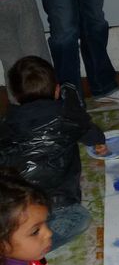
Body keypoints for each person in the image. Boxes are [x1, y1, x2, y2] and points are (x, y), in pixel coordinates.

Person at [0, 56, 107, 250]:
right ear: (57, 91)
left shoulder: (7, 122)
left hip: (16, 205)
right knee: (79, 218)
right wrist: (99, 141)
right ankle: (24, 248)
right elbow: (90, 132)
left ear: (15, 96)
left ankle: (17, 238)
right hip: (58, 201)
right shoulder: (67, 115)